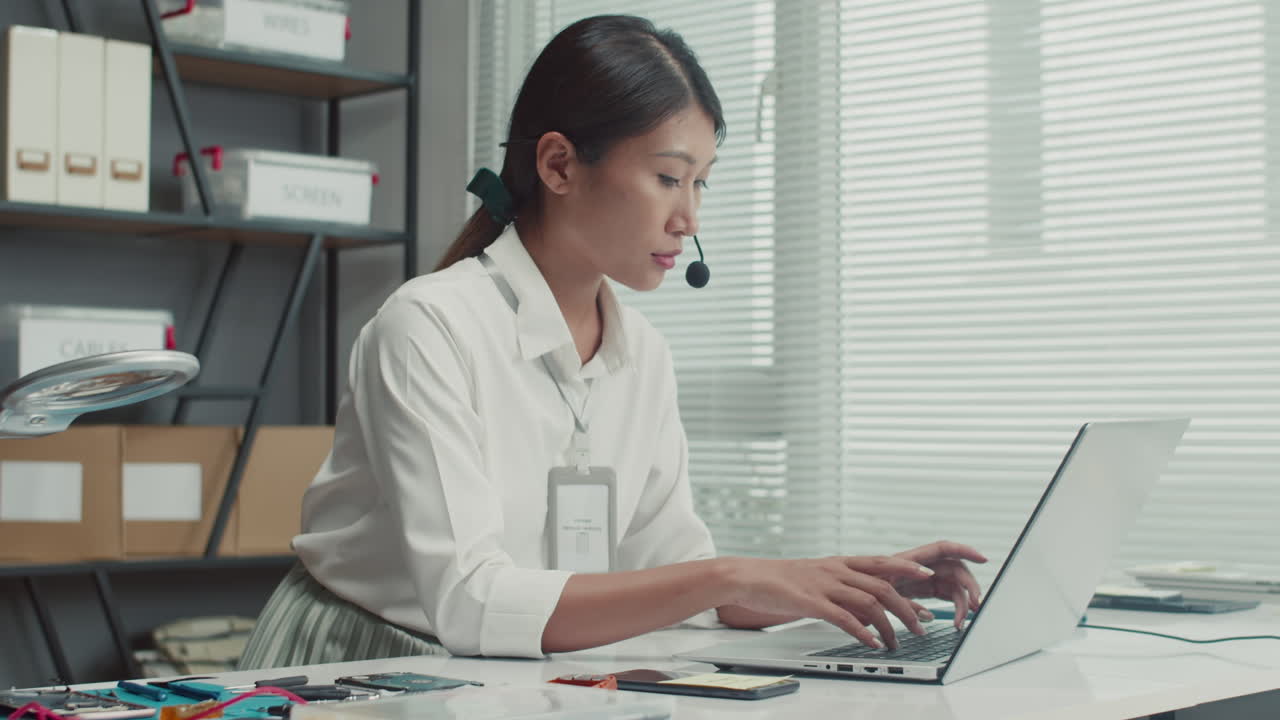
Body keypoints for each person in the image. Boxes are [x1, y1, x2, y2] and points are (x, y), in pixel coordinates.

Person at [237, 13, 987, 670]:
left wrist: (840, 583)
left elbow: (679, 580)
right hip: (368, 660)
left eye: (703, 184)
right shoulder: (428, 328)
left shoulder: (644, 355)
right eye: (668, 177)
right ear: (559, 164)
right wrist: (728, 576)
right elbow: (469, 602)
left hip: (508, 668)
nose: (689, 216)